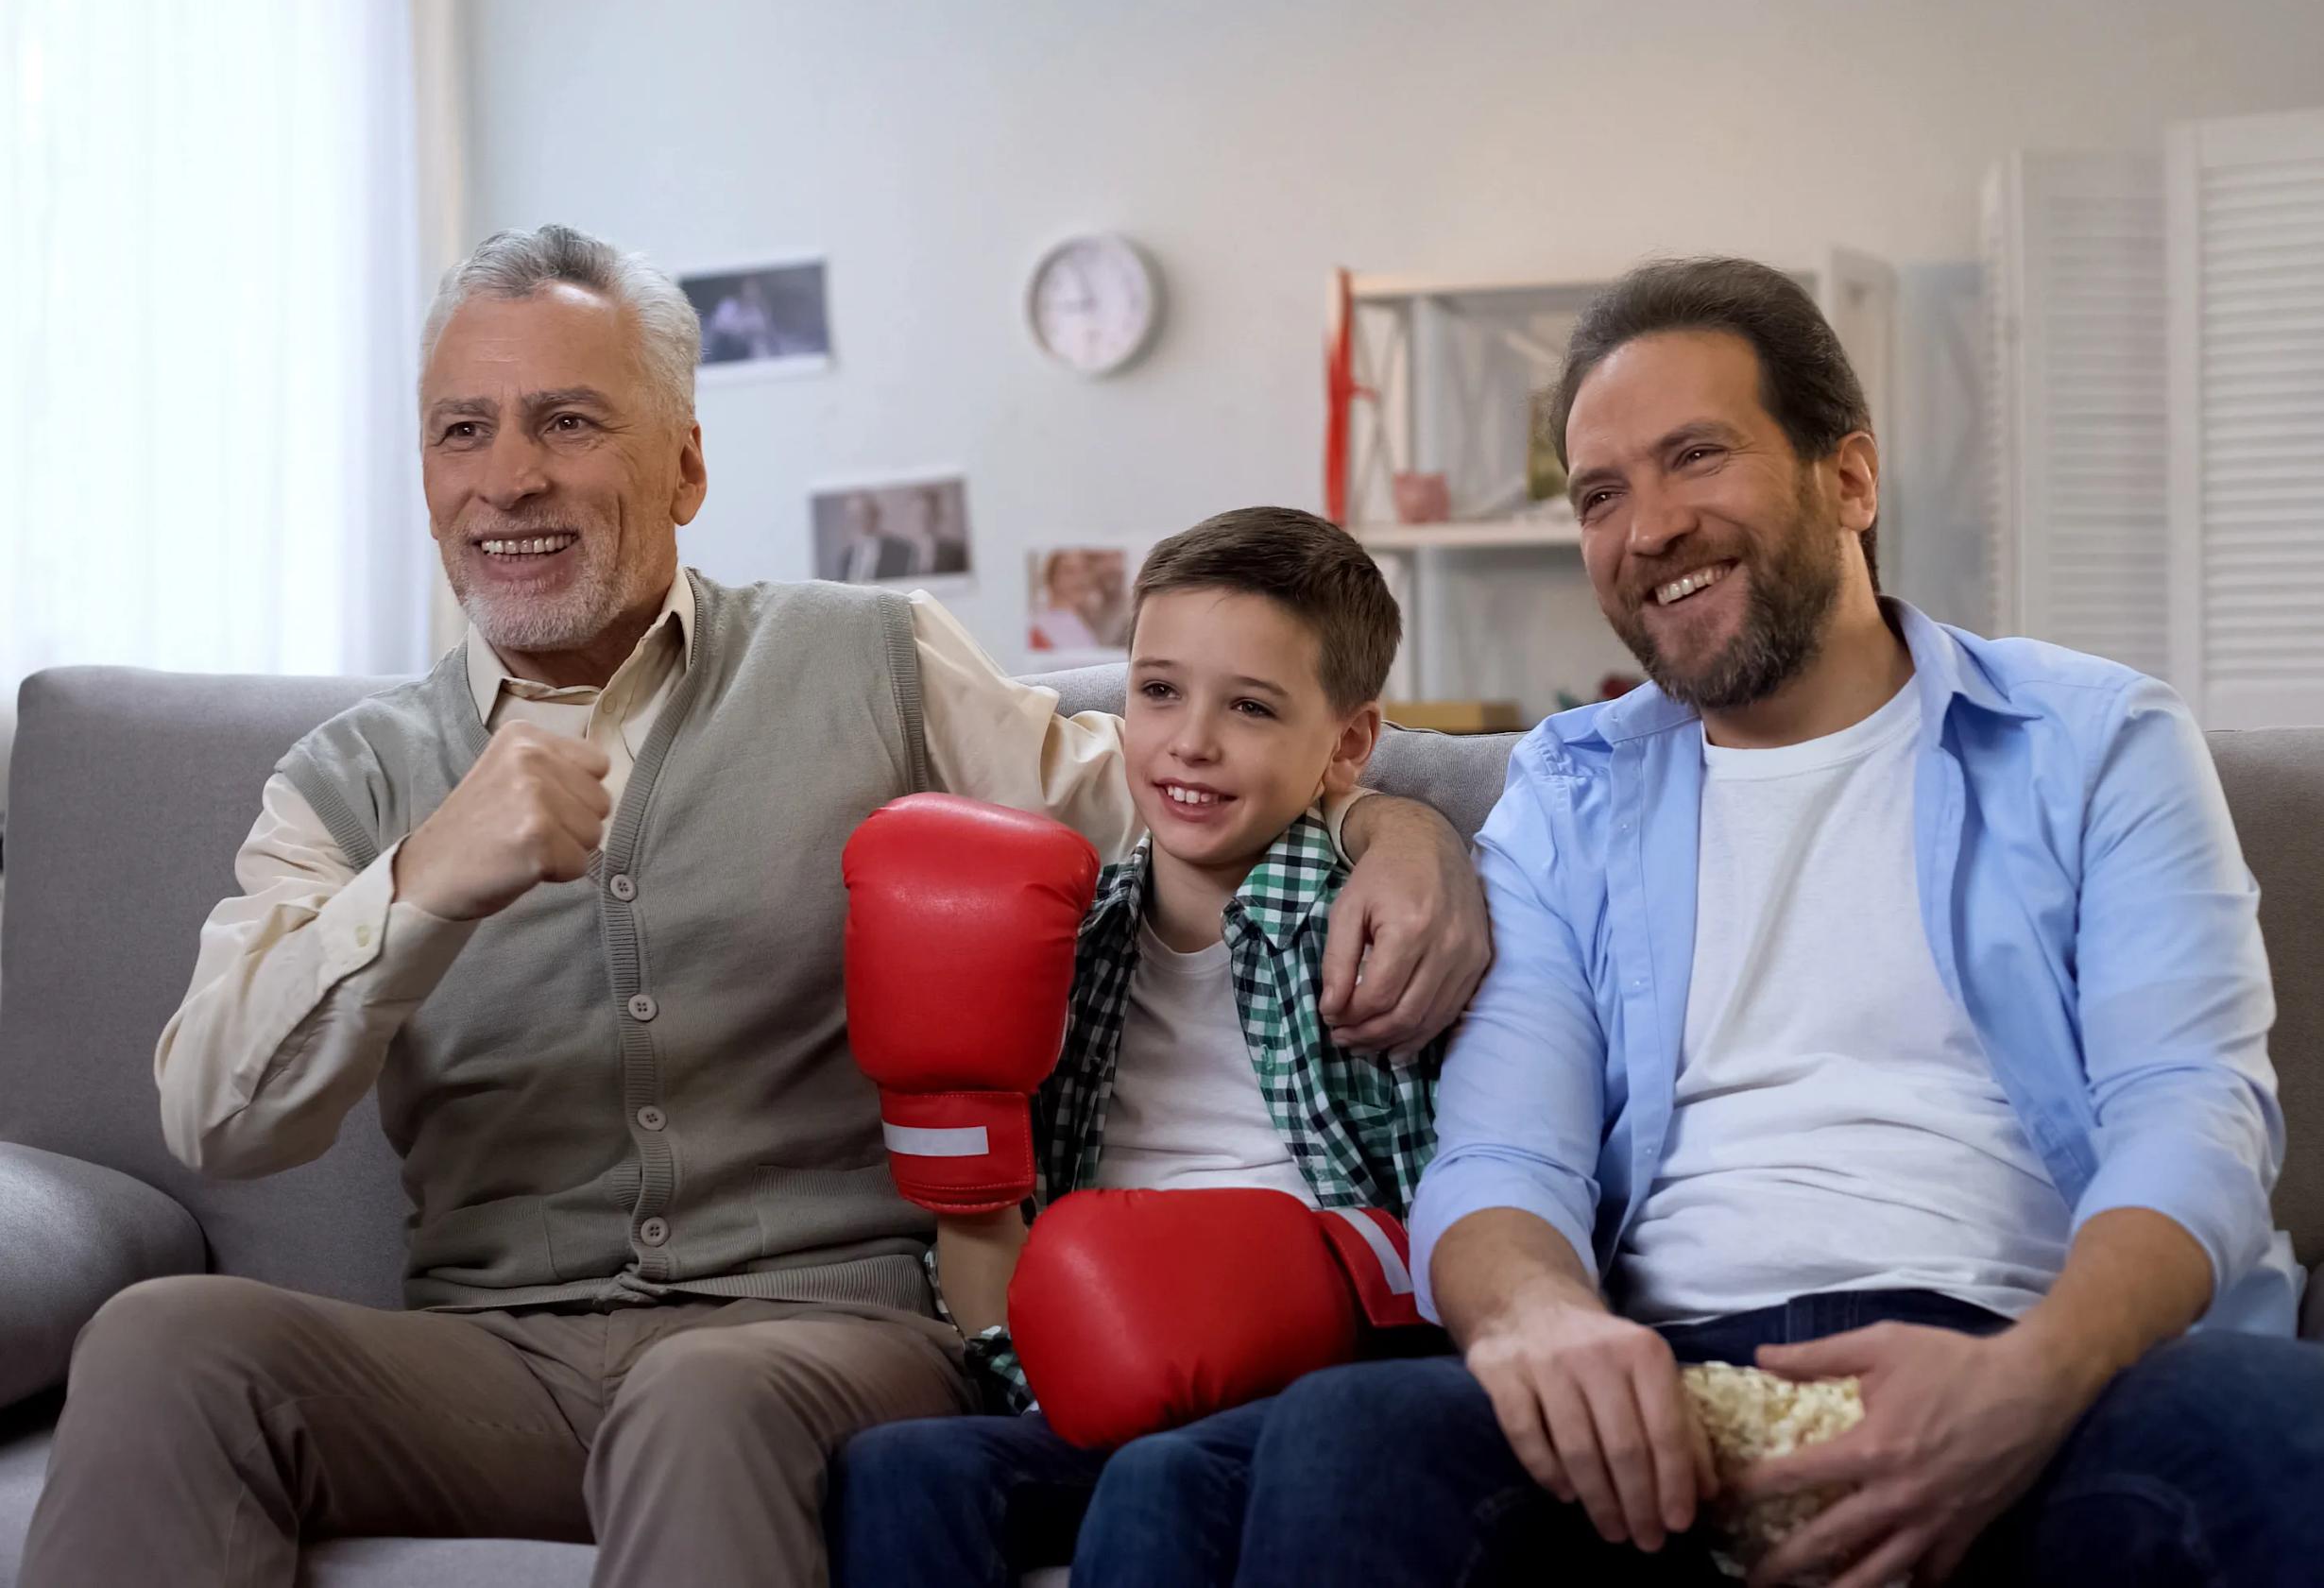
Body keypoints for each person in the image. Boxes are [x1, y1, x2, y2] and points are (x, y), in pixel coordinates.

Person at [18, 227, 1493, 1588]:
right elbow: (216, 1113)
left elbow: (1176, 789)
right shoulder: (348, 779)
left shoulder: (875, 655)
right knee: (164, 1342)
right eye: (462, 428)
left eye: (569, 421)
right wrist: (418, 885)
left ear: (686, 469)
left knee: (699, 1388)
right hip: (488, 1359)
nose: (507, 475)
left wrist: (1395, 816)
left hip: (827, 1336)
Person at [1234, 257, 2324, 1588]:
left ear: (1850, 478)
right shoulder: (1565, 803)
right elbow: (1504, 1158)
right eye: (1598, 494)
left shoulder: (2092, 740)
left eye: (1697, 455)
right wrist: (1541, 1322)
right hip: (1667, 1388)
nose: (1649, 529)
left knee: (2273, 1424)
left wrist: (2032, 1379)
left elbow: (2194, 1115)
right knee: (1353, 1438)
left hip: (2038, 1363)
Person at [829, 505, 1438, 1587]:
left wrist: (1323, 1288)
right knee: (899, 1468)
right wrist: (965, 1177)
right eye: (1157, 691)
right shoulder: (1061, 944)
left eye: (1250, 707)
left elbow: (1463, 1210)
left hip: (1318, 1388)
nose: (1189, 741)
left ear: (1347, 742)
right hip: (1099, 1375)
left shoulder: (1377, 934)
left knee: (1163, 1479)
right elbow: (999, 1288)